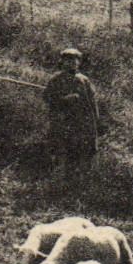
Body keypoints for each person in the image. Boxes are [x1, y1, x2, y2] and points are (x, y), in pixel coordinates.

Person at [43, 46, 101, 176]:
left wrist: (96, 120)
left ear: (78, 63)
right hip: (62, 120)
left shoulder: (84, 80)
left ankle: (78, 179)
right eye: (68, 60)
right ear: (62, 62)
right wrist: (64, 99)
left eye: (75, 60)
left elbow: (92, 101)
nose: (72, 63)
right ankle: (60, 177)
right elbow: (47, 97)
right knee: (62, 149)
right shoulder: (56, 79)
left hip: (81, 121)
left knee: (81, 150)